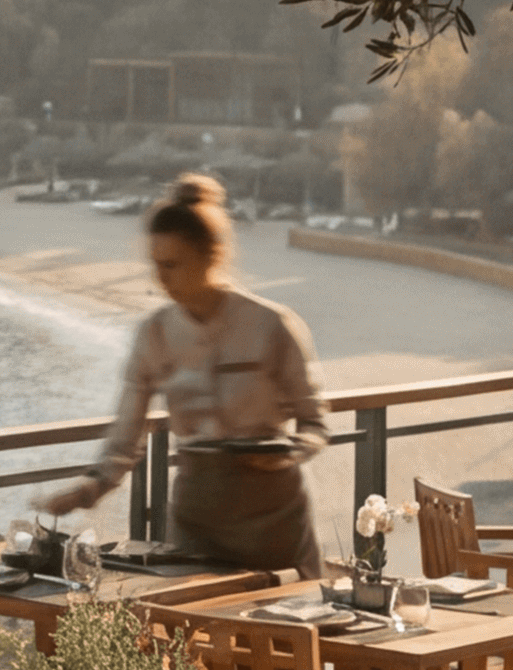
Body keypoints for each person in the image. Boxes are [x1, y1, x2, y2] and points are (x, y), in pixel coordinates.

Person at [51, 174, 330, 571]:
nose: (160, 278)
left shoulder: (273, 325)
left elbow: (315, 423)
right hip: (197, 517)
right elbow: (126, 435)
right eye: (155, 265)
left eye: (172, 265)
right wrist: (90, 487)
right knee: (194, 627)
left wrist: (290, 451)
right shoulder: (154, 334)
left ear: (211, 256)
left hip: (274, 516)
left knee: (283, 625)